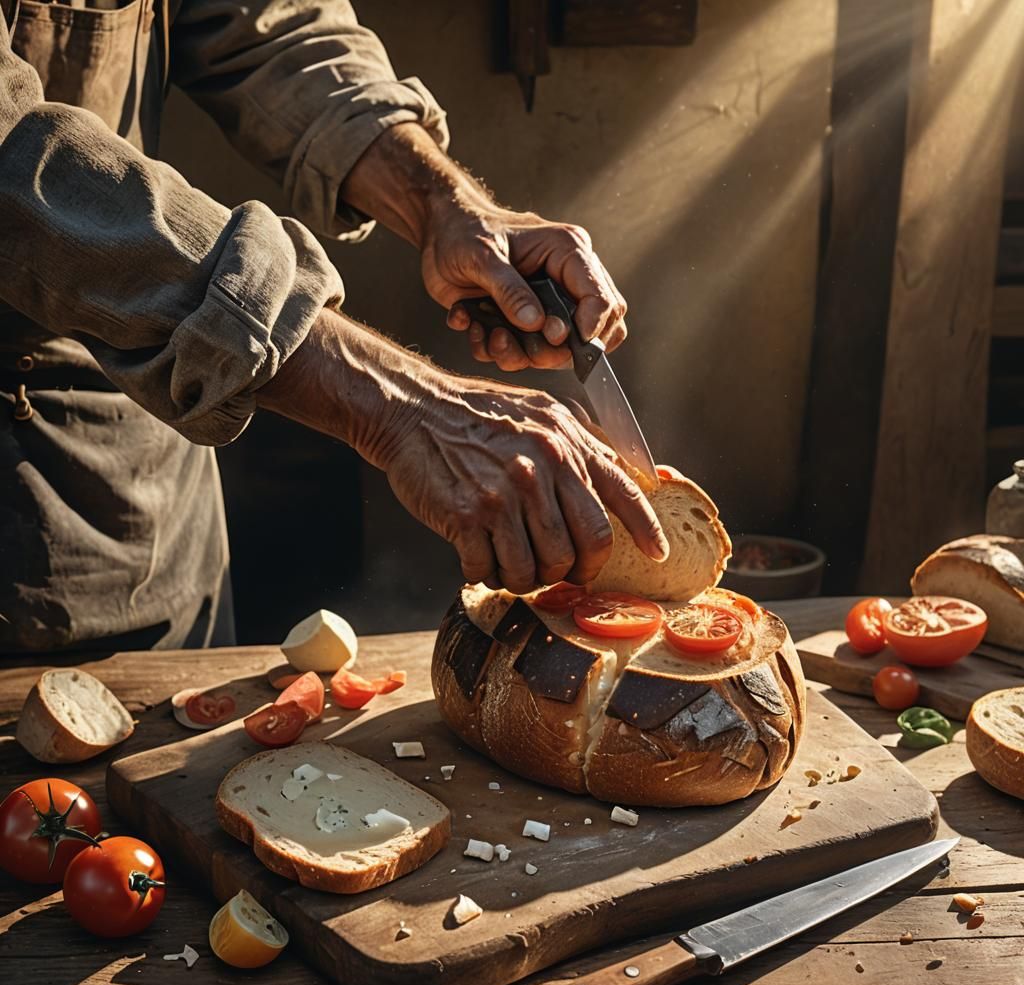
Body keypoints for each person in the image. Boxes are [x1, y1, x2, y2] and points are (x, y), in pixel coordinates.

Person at [0, 0, 667, 655]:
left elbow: (269, 19)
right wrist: (405, 404)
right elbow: (12, 159)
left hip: (141, 445)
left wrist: (442, 203)